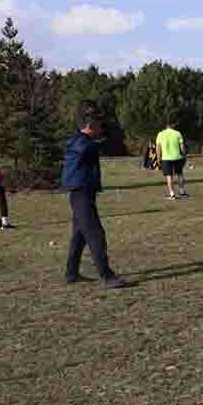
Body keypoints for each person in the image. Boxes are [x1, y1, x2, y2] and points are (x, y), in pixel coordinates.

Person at [62, 100, 128, 289]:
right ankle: (107, 276)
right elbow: (85, 148)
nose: (101, 127)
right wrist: (103, 140)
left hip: (83, 192)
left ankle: (71, 273)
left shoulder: (81, 140)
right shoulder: (81, 142)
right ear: (90, 125)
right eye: (98, 124)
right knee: (95, 234)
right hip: (81, 193)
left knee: (80, 234)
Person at [156, 121, 188, 200]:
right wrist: (184, 155)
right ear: (172, 125)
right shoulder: (177, 133)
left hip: (166, 158)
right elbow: (182, 146)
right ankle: (182, 191)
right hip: (177, 157)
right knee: (180, 174)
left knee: (169, 176)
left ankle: (172, 194)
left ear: (166, 126)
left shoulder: (160, 134)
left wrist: (158, 158)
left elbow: (158, 147)